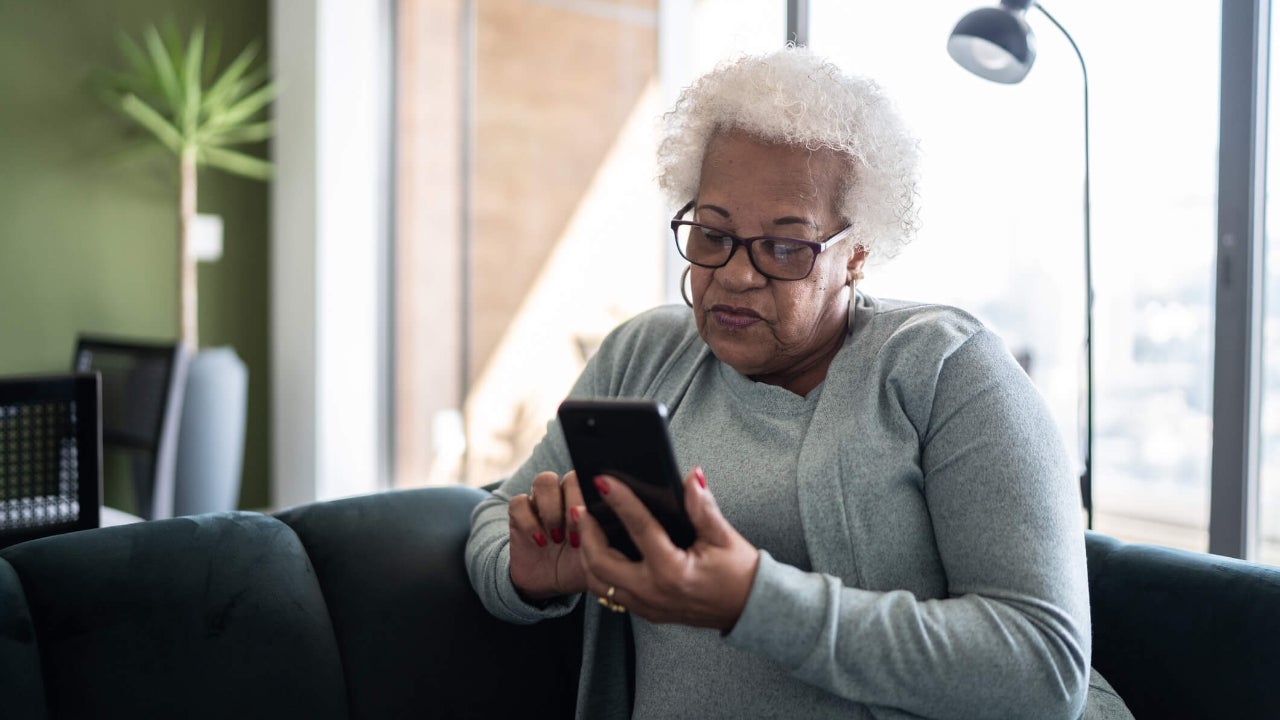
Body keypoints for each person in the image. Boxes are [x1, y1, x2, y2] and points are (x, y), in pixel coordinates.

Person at [467, 47, 1126, 719]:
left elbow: (1042, 670)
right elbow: (496, 516)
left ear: (857, 255)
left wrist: (753, 600)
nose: (735, 274)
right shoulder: (645, 354)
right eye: (712, 234)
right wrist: (533, 576)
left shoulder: (946, 369)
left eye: (785, 247)